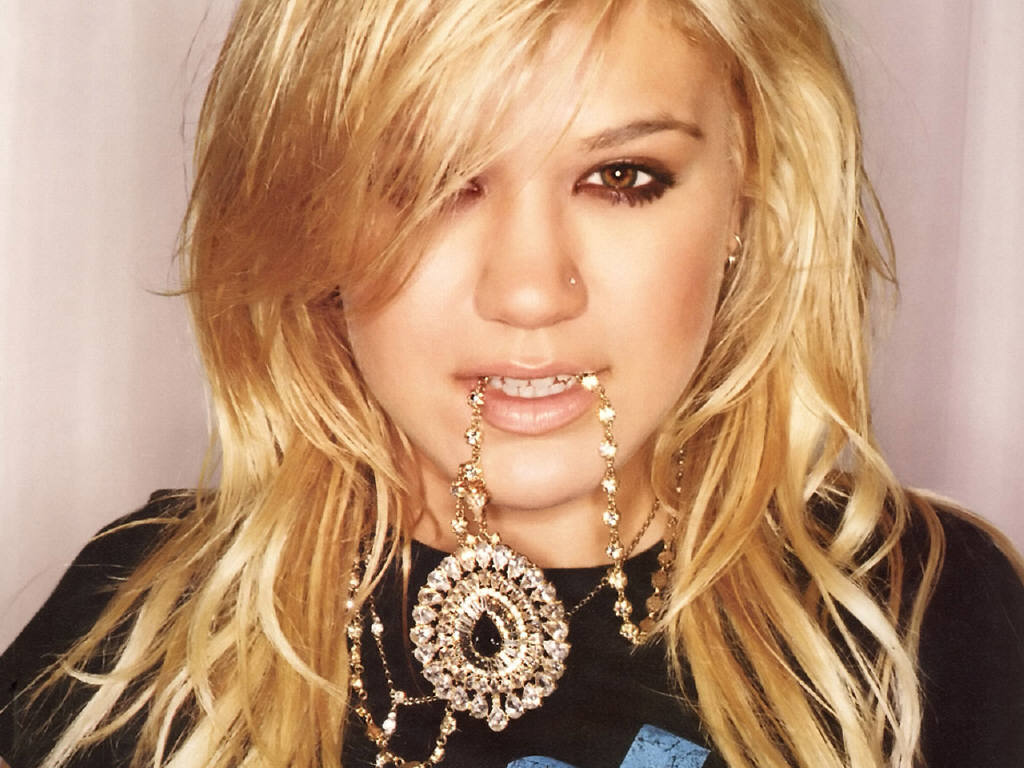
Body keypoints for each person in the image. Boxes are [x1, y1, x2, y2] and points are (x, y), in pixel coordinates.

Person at [2, 0, 1023, 766]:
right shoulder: (141, 627)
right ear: (311, 216)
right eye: (432, 182)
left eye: (621, 177)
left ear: (745, 190)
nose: (531, 291)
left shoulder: (929, 612)